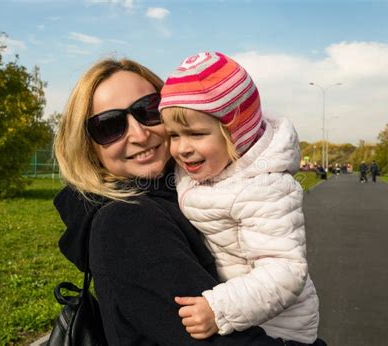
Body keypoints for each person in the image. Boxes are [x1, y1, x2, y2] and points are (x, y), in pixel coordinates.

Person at [53, 57, 304, 345]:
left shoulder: (191, 190)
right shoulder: (127, 222)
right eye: (110, 126)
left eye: (148, 110)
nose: (139, 134)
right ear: (88, 147)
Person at [159, 52, 322, 345]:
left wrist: (220, 308)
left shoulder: (264, 188)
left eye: (196, 133)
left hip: (278, 327)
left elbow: (286, 272)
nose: (182, 148)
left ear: (236, 133)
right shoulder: (203, 168)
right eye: (173, 135)